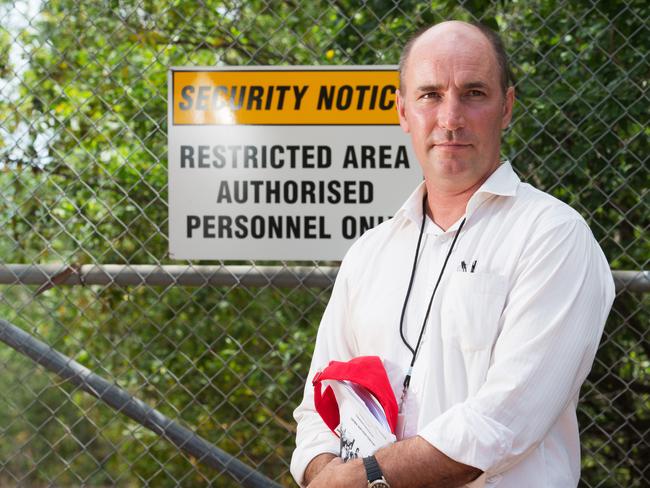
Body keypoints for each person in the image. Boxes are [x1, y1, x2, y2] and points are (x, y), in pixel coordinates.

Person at [291, 20, 615, 488]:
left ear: (506, 107)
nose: (450, 118)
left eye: (474, 93)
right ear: (403, 112)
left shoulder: (553, 237)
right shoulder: (369, 252)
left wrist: (365, 479)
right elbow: (318, 405)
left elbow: (503, 423)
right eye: (430, 95)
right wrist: (324, 474)